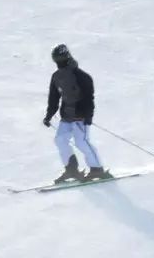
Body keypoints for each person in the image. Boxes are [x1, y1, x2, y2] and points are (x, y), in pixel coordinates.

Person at [43, 44, 111, 184]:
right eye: (57, 59)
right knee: (60, 140)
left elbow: (89, 97)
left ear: (67, 57)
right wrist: (49, 115)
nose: (59, 62)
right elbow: (54, 98)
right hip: (66, 117)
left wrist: (88, 116)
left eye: (61, 58)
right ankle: (71, 169)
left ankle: (97, 169)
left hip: (80, 116)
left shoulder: (81, 76)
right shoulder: (56, 77)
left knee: (81, 142)